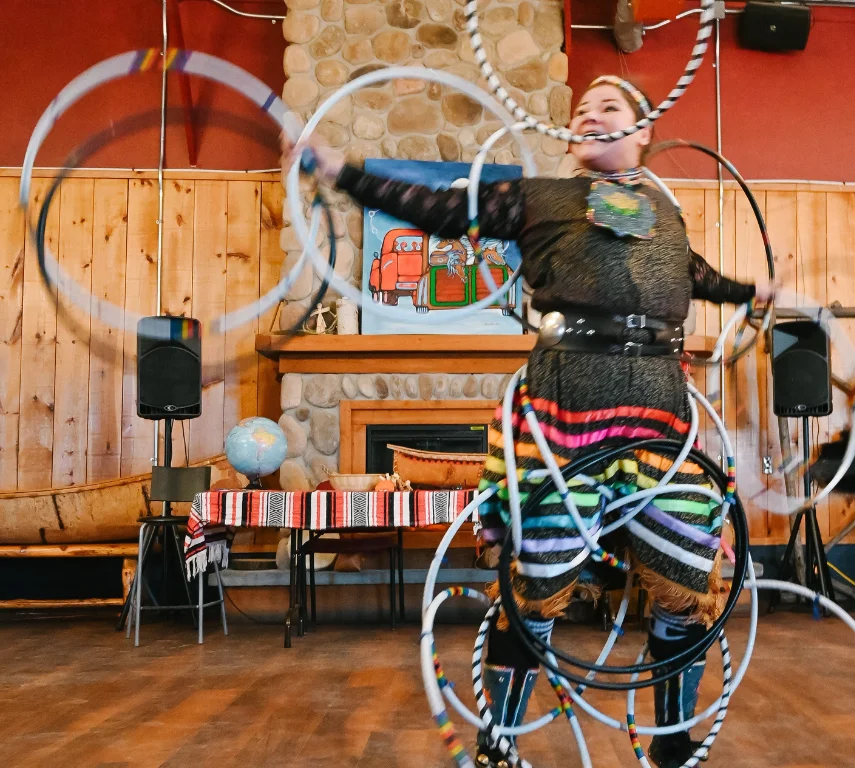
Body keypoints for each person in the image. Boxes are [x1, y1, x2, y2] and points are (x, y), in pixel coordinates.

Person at [288, 75, 773, 768]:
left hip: (662, 413)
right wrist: (339, 169)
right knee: (536, 590)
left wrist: (753, 293)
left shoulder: (667, 216)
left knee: (687, 577)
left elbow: (694, 274)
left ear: (642, 134)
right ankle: (500, 743)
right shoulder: (540, 198)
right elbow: (433, 208)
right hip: (563, 409)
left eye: (610, 107)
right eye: (583, 109)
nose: (590, 114)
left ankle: (670, 744)